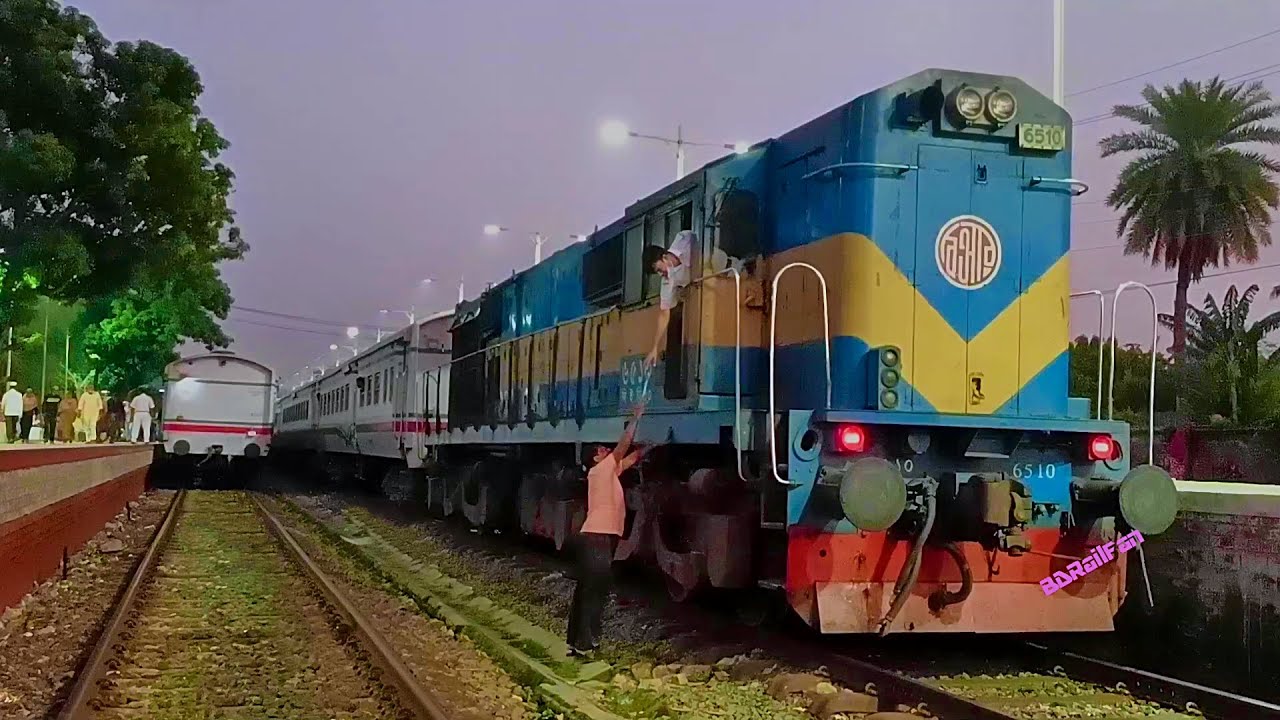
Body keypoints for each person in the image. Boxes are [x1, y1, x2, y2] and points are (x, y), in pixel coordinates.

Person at [567, 401, 647, 655]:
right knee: (596, 588)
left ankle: (576, 639)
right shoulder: (600, 470)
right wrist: (635, 418)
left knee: (587, 587)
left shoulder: (607, 472)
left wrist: (648, 448)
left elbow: (630, 458)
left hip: (598, 537)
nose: (606, 449)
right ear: (595, 458)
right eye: (602, 449)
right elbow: (623, 449)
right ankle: (585, 643)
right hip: (597, 537)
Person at [642, 230, 695, 370]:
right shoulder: (667, 282)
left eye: (658, 269)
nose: (660, 275)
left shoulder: (684, 238)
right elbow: (664, 314)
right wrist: (655, 347)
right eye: (657, 273)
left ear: (664, 257)